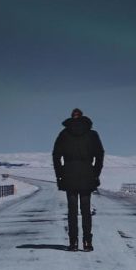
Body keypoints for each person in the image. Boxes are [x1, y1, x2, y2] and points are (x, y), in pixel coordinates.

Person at [52, 108, 104, 252]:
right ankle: (87, 242)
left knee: (72, 211)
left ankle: (73, 243)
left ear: (71, 118)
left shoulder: (64, 134)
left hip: (69, 175)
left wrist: (60, 175)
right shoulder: (92, 135)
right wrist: (95, 173)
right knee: (86, 211)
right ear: (83, 118)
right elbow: (100, 155)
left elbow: (56, 156)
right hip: (87, 174)